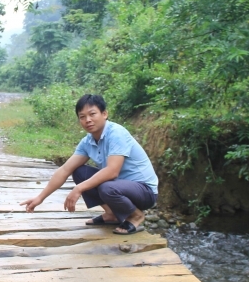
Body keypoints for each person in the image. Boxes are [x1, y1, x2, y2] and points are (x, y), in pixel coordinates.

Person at [20, 94, 159, 234]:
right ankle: (111, 214)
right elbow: (64, 170)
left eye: (92, 114)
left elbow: (112, 171)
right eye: (82, 117)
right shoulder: (87, 142)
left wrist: (78, 188)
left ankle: (136, 216)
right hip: (119, 187)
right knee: (80, 172)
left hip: (144, 191)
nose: (88, 120)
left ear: (104, 114)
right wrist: (40, 198)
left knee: (107, 187)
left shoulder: (116, 134)